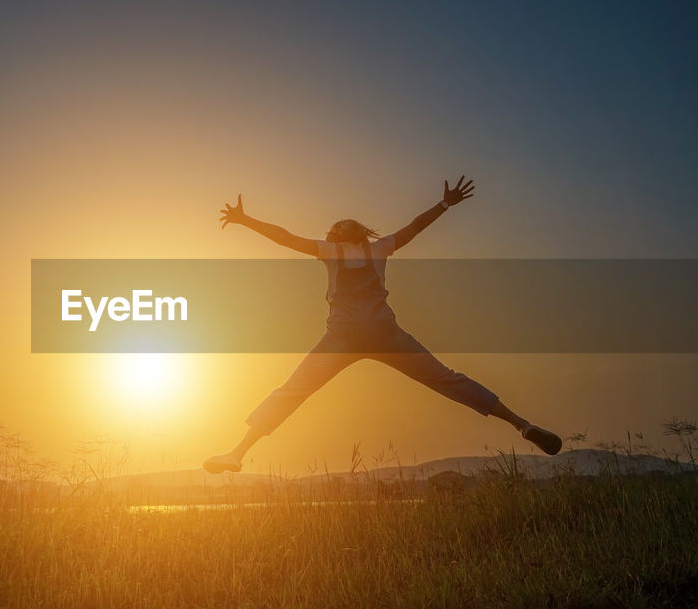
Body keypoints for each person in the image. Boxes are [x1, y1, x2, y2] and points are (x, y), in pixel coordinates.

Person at [203, 177, 563, 474]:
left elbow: (286, 237)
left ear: (343, 235)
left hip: (346, 337)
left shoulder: (339, 251)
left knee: (293, 390)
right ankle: (520, 423)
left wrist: (245, 220)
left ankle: (238, 452)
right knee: (446, 380)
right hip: (383, 334)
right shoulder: (378, 249)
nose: (340, 228)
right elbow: (415, 227)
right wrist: (445, 205)